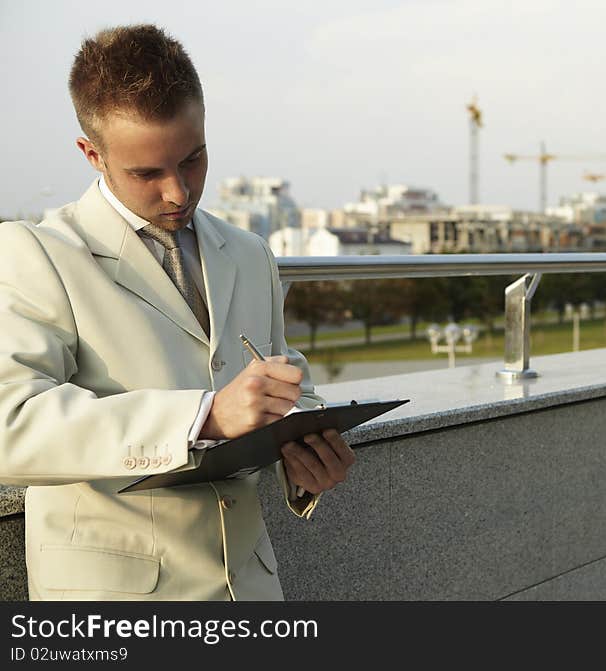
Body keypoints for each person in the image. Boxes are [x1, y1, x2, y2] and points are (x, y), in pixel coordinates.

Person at [0, 24, 356, 601]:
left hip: (252, 592)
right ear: (91, 154)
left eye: (193, 160)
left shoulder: (249, 252)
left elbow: (289, 384)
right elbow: (10, 427)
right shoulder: (35, 253)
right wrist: (205, 417)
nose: (178, 193)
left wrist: (305, 460)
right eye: (147, 173)